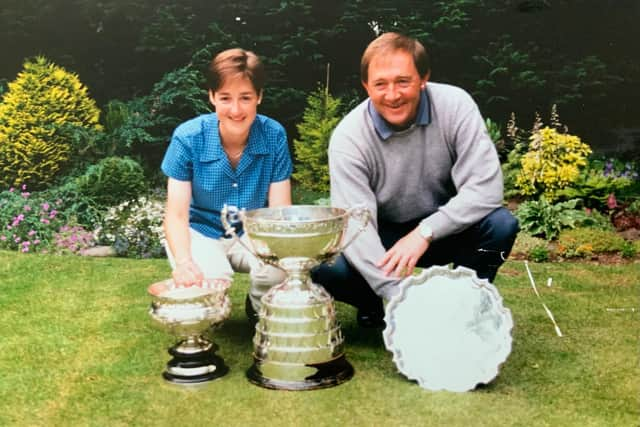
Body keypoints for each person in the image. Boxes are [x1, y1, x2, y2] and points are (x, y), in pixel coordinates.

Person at [312, 33, 519, 328]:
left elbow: (486, 189)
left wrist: (425, 232)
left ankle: (464, 306)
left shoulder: (455, 105)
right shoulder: (349, 138)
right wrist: (405, 300)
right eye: (380, 84)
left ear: (424, 78)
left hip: (445, 227)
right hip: (382, 238)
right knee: (326, 267)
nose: (392, 94)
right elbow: (355, 226)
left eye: (403, 81)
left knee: (500, 225)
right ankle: (375, 304)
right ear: (365, 86)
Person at [161, 48, 292, 321]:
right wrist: (184, 263)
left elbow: (280, 212)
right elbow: (176, 215)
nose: (235, 110)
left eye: (245, 98)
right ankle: (210, 304)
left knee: (281, 266)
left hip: (252, 233)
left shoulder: (274, 135)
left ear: (259, 96)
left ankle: (260, 309)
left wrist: (284, 257)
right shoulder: (187, 137)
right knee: (207, 296)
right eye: (225, 98)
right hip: (201, 231)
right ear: (211, 96)